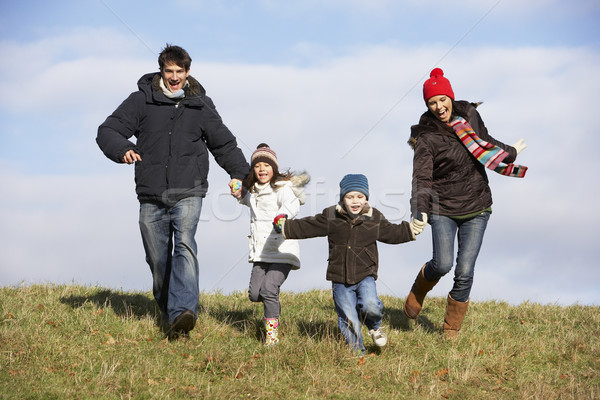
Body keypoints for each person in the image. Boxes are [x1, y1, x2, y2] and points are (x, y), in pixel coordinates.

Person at [96, 44, 250, 339]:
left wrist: (241, 176)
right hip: (150, 193)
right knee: (158, 259)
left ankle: (183, 312)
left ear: (188, 72)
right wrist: (123, 148)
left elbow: (224, 145)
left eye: (180, 72)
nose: (175, 77)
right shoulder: (141, 101)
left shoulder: (200, 105)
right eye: (169, 71)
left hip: (189, 189)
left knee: (184, 245)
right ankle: (171, 313)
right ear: (161, 71)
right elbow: (108, 130)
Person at [403, 68, 528, 338]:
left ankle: (450, 328)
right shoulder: (426, 137)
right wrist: (419, 211)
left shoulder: (469, 115)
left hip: (477, 205)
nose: (438, 106)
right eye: (431, 103)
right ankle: (420, 288)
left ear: (450, 97)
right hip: (443, 208)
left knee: (465, 270)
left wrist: (512, 152)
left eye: (441, 100)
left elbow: (486, 143)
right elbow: (422, 178)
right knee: (443, 264)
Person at [275, 174, 425, 354]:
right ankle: (357, 353)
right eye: (350, 197)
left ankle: (375, 327)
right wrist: (285, 226)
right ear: (342, 198)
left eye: (360, 197)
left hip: (365, 275)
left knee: (371, 305)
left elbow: (393, 233)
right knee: (348, 318)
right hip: (339, 278)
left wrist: (412, 229)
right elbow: (310, 225)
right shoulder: (331, 215)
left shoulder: (374, 217)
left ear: (366, 198)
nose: (355, 201)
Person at [232, 143, 309, 345]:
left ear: (274, 168)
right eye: (257, 166)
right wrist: (238, 191)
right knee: (255, 294)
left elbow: (291, 205)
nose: (262, 169)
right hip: (261, 252)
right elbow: (246, 199)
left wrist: (282, 216)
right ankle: (272, 299)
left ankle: (272, 338)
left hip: (282, 249)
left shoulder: (283, 188)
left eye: (266, 165)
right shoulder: (255, 191)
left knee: (268, 290)